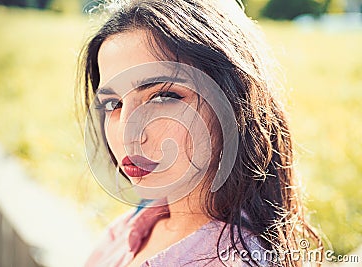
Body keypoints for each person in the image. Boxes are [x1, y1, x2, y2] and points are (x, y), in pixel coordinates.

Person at [76, 0, 322, 266]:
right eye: (113, 104)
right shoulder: (130, 229)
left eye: (162, 97)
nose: (127, 135)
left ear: (233, 102)